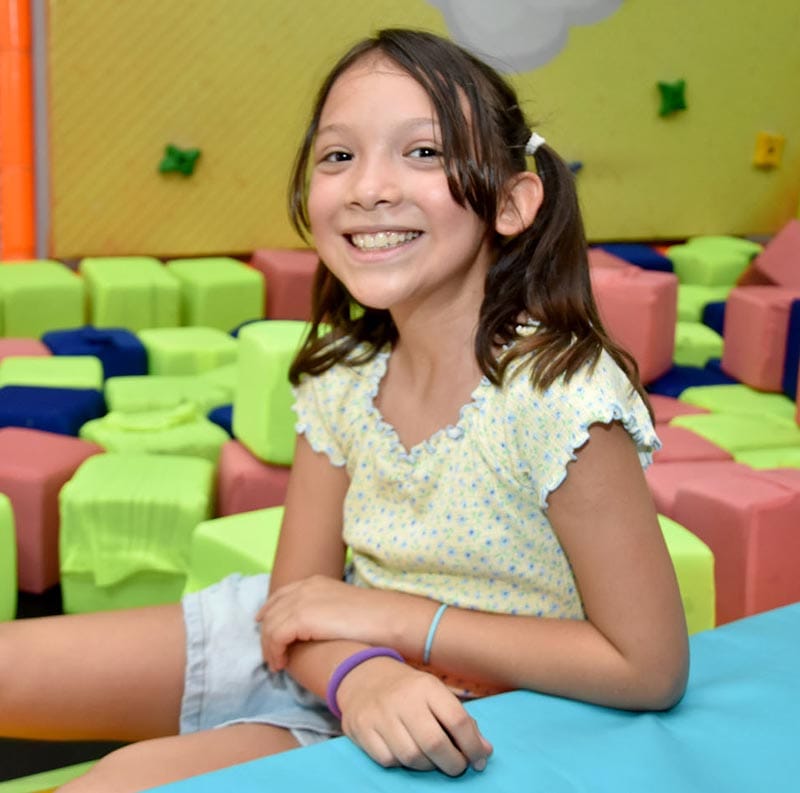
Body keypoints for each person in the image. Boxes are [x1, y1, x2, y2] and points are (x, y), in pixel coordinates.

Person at [0, 28, 688, 792]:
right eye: (338, 155)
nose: (368, 186)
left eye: (422, 151)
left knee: (115, 780)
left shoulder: (561, 395)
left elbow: (649, 664)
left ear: (510, 202)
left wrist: (399, 622)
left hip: (460, 707)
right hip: (323, 653)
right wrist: (359, 672)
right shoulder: (345, 375)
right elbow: (295, 606)